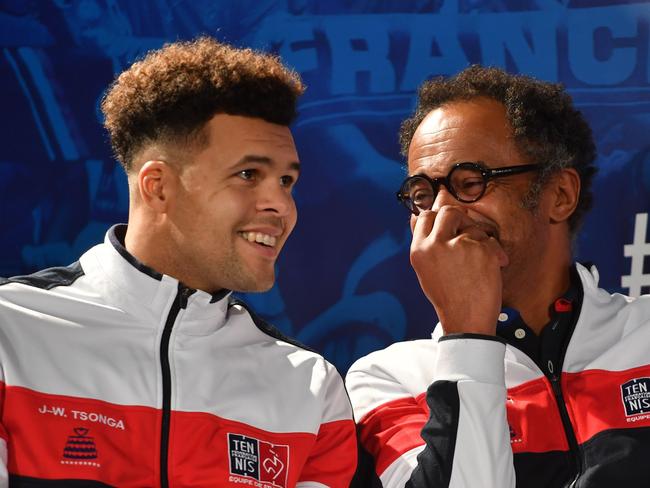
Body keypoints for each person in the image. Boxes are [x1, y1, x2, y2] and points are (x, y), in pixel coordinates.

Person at [0, 37, 357, 487]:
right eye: (249, 174)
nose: (281, 205)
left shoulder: (310, 387)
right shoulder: (10, 331)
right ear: (158, 186)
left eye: (286, 181)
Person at [346, 65, 650, 487]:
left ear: (559, 195)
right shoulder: (388, 378)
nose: (443, 213)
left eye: (471, 182)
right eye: (421, 195)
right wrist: (468, 336)